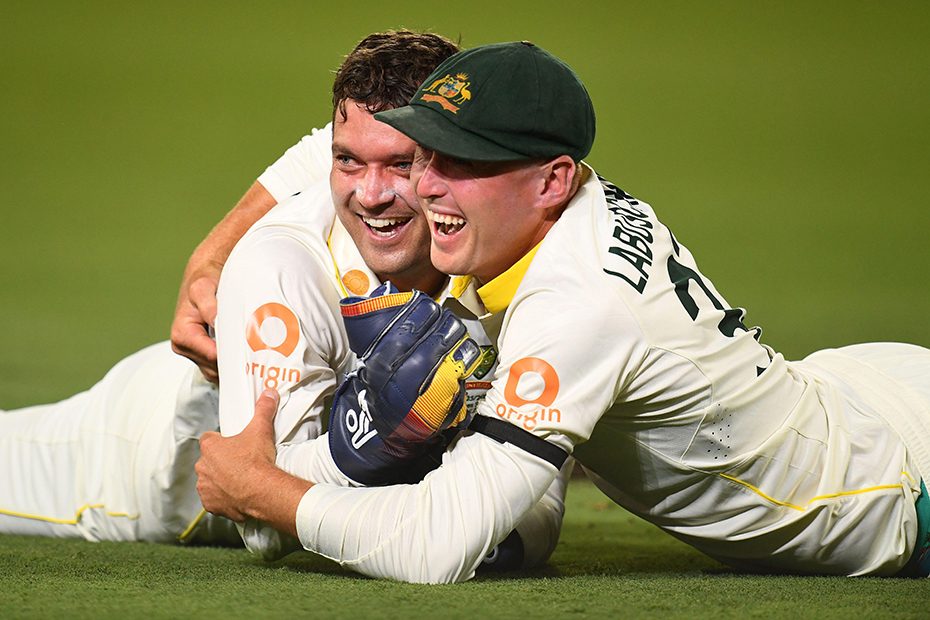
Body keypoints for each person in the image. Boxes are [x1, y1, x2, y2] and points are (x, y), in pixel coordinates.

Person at [196, 41, 930, 584]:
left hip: (895, 489)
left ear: (552, 181)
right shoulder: (548, 195)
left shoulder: (579, 305)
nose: (426, 188)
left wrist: (267, 492)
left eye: (466, 164)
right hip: (863, 387)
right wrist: (218, 250)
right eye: (429, 155)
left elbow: (438, 544)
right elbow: (352, 143)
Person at [0, 33, 569, 569]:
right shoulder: (281, 262)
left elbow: (537, 514)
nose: (371, 195)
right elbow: (262, 521)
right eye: (348, 161)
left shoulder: (499, 242)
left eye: (402, 163)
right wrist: (372, 443)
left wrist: (476, 517)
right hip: (142, 462)